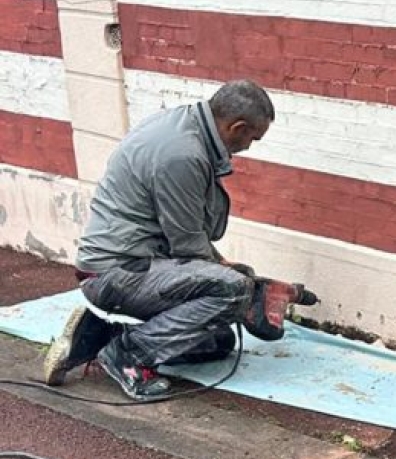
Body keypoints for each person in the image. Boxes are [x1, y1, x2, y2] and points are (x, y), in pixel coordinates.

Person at [42, 80, 275, 400]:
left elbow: (185, 239)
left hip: (129, 262)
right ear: (237, 127)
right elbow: (188, 245)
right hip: (116, 271)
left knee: (219, 343)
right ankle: (126, 354)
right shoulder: (182, 154)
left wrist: (231, 268)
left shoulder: (183, 123)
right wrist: (243, 284)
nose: (249, 146)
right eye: (252, 138)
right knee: (233, 292)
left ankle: (108, 333)